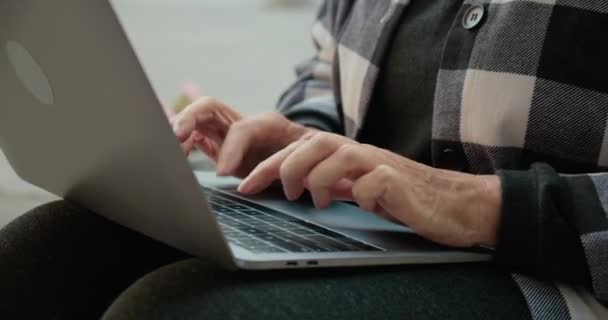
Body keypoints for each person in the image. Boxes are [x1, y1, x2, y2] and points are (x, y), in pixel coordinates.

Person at [2, 1, 607, 319]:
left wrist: (484, 203)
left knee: (173, 313)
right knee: (42, 255)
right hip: (371, 230)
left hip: (555, 269)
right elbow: (327, 70)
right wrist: (297, 140)